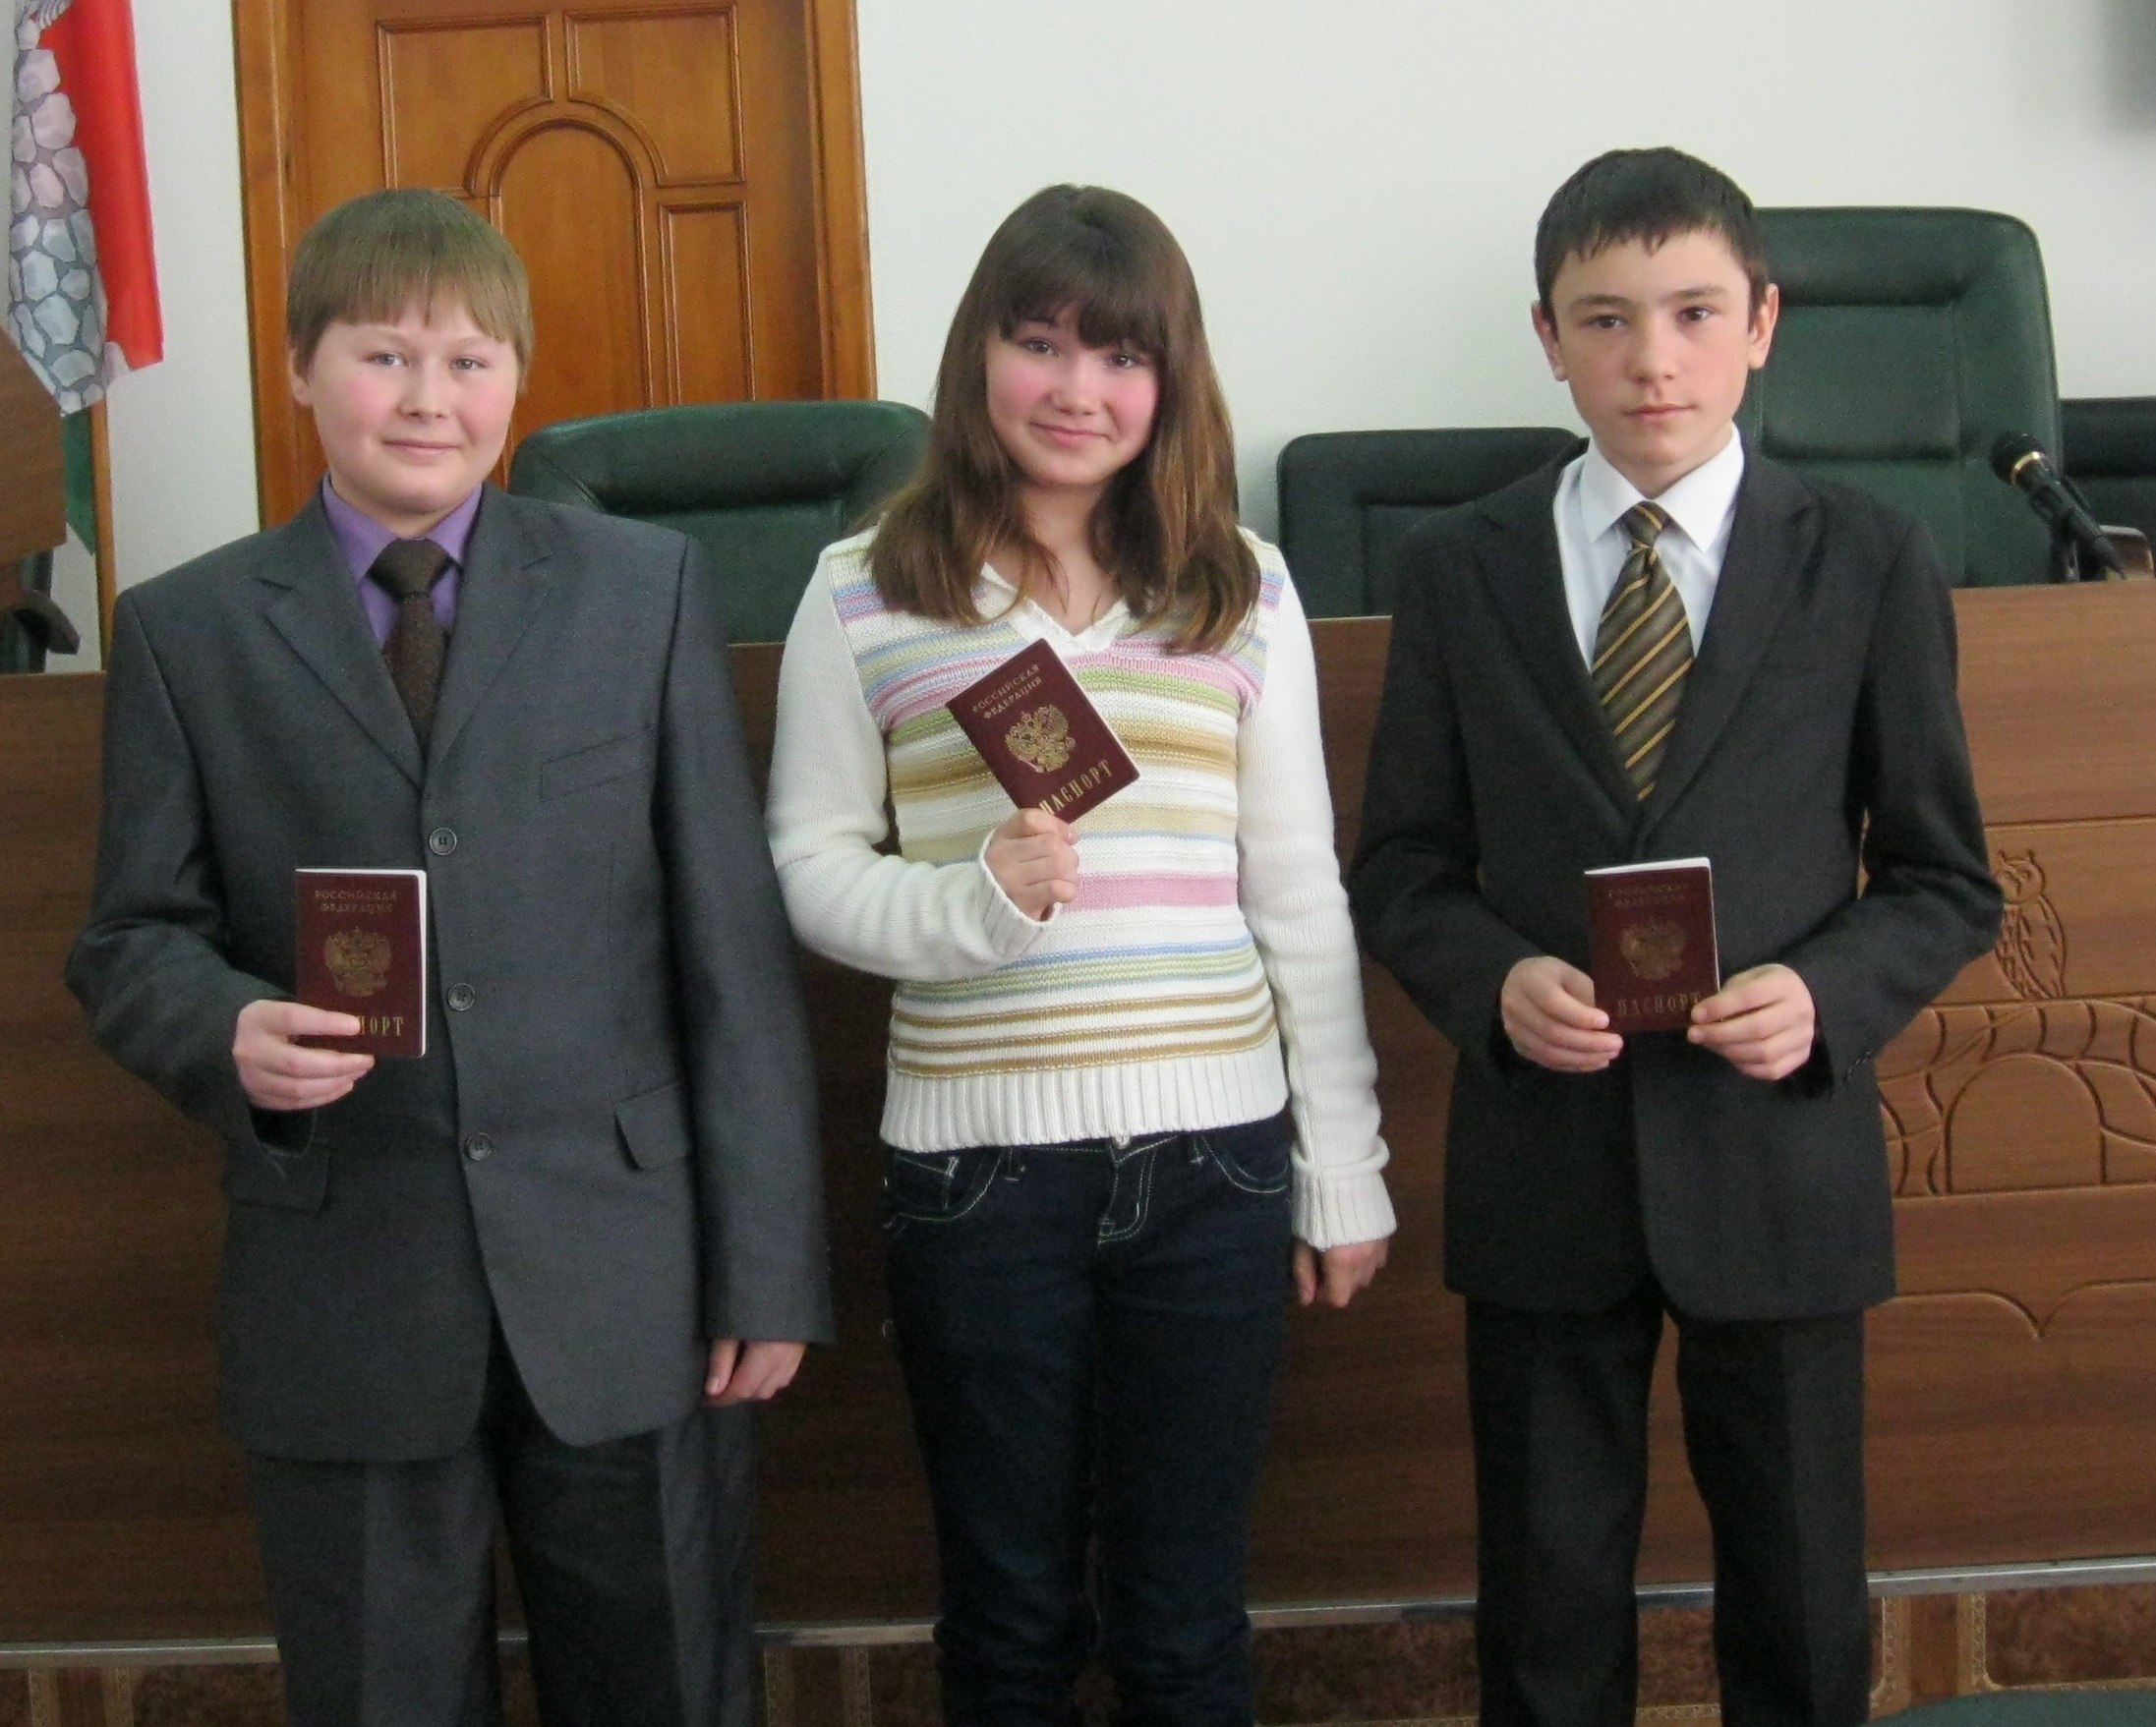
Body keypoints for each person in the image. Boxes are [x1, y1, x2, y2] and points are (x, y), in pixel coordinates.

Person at [66, 189, 828, 1727]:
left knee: (669, 1689)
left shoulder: (641, 591)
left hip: (626, 1279)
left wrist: (766, 1264)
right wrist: (225, 1029)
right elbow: (132, 935)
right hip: (348, 1284)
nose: (429, 398)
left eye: (470, 361)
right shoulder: (186, 630)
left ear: (517, 382)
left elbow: (729, 955)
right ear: (301, 367)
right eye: (384, 355)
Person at [1349, 148, 2003, 1727]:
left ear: (1761, 325)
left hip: (1773, 1154)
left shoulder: (1864, 559)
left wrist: (1820, 994)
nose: (1652, 358)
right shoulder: (1460, 567)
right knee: (1545, 1598)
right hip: (1545, 1154)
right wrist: (1495, 981)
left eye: (1694, 312)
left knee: (1798, 1591)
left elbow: (1942, 877)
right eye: (1605, 319)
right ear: (1545, 337)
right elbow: (1404, 866)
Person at [766, 183, 1394, 1725]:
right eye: (1038, 341)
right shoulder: (863, 586)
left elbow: (1297, 892)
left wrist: (1342, 1166)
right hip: (976, 1179)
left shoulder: (1239, 584)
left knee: (1184, 1623)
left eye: (1120, 356)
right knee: (1008, 1620)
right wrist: (972, 902)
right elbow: (809, 870)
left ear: (1169, 382)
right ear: (977, 353)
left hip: (1215, 1167)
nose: (1076, 389)